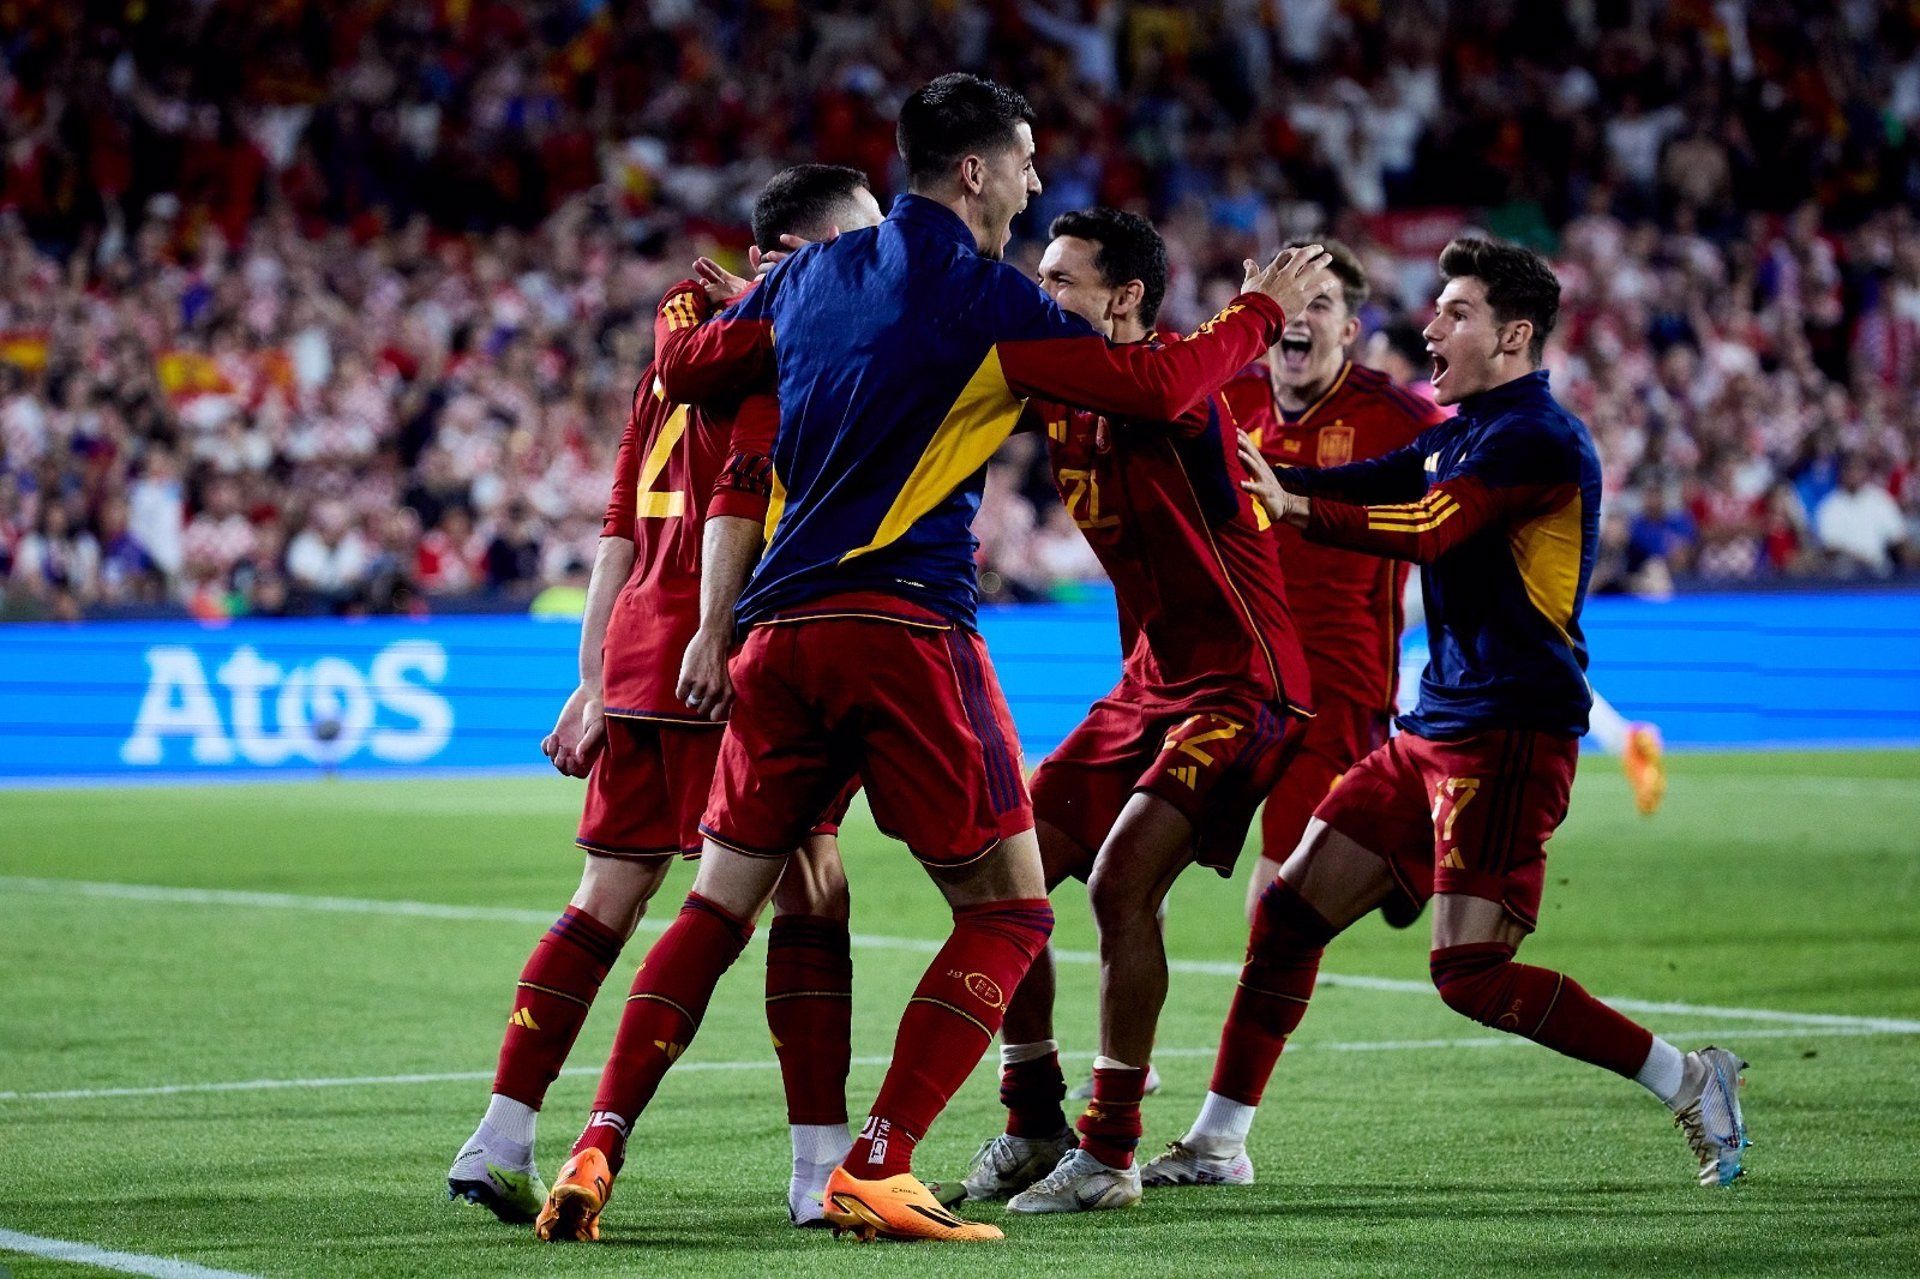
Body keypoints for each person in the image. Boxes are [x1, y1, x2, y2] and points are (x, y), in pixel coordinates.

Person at [534, 72, 1336, 1244]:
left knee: (715, 902)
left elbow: (689, 370)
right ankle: (878, 1159)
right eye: (1024, 160)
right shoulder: (989, 299)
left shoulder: (808, 276)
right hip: (904, 632)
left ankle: (597, 1142)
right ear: (975, 171)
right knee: (1011, 912)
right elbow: (1159, 383)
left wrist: (737, 309)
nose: (1034, 181)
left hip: (774, 640)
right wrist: (1259, 309)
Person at [1143, 238, 1750, 1193]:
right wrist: (1274, 479)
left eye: (1456, 311)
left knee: (1469, 972)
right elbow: (1382, 476)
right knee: (1288, 915)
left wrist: (1294, 509)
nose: (1429, 326)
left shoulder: (1538, 438)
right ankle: (1219, 1142)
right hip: (1431, 727)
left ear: (1513, 337)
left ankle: (1689, 1078)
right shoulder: (1461, 430)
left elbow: (1430, 527)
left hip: (1509, 733)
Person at [447, 164, 884, 1230]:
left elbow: (617, 530)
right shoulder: (787, 341)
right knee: (810, 891)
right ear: (809, 247)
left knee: (608, 896)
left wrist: (594, 677)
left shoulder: (675, 348)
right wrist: (715, 634)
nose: (885, 254)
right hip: (731, 655)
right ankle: (817, 1168)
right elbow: (742, 496)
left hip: (641, 657)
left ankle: (499, 1135)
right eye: (867, 235)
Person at [951, 208, 1312, 1215]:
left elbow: (1159, 386)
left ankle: (1109, 1153)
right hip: (1149, 685)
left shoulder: (1170, 386)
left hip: (1243, 680)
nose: (1042, 293)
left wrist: (1258, 311)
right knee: (1003, 871)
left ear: (1125, 298)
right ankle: (1034, 1119)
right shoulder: (1060, 389)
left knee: (1120, 885)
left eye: (1062, 280)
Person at [1218, 241, 1446, 925]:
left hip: (1335, 686)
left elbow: (1474, 483)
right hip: (1235, 676)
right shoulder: (1225, 398)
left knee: (1276, 900)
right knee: (1132, 856)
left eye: (1319, 305)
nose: (1300, 317)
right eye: (1292, 301)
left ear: (1348, 332)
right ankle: (1397, 850)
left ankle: (1396, 849)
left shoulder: (1399, 419)